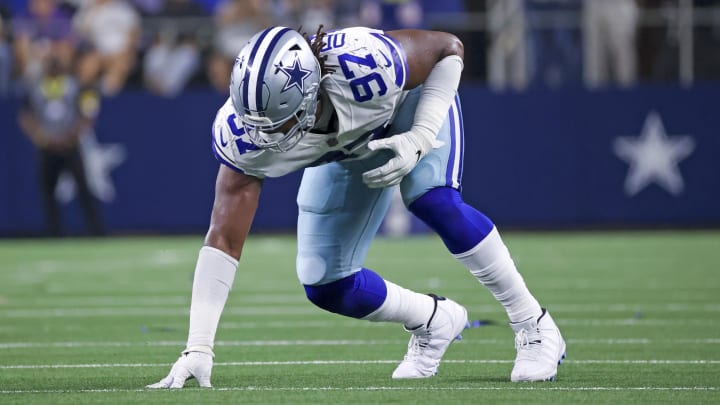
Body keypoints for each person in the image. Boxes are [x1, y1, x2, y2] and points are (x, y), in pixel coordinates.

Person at [148, 25, 565, 388]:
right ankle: (434, 320)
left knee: (430, 198)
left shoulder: (364, 64)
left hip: (407, 106)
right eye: (257, 123)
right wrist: (198, 346)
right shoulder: (242, 133)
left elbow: (447, 48)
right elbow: (223, 238)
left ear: (311, 95)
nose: (265, 137)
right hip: (348, 148)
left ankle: (534, 324)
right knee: (324, 282)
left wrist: (421, 135)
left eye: (279, 123)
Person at [17, 56, 105, 236]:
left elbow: (88, 114)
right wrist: (40, 136)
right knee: (48, 191)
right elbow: (25, 116)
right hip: (47, 146)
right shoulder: (36, 88)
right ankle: (54, 231)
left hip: (70, 145)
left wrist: (72, 136)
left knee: (84, 189)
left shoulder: (75, 86)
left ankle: (96, 230)